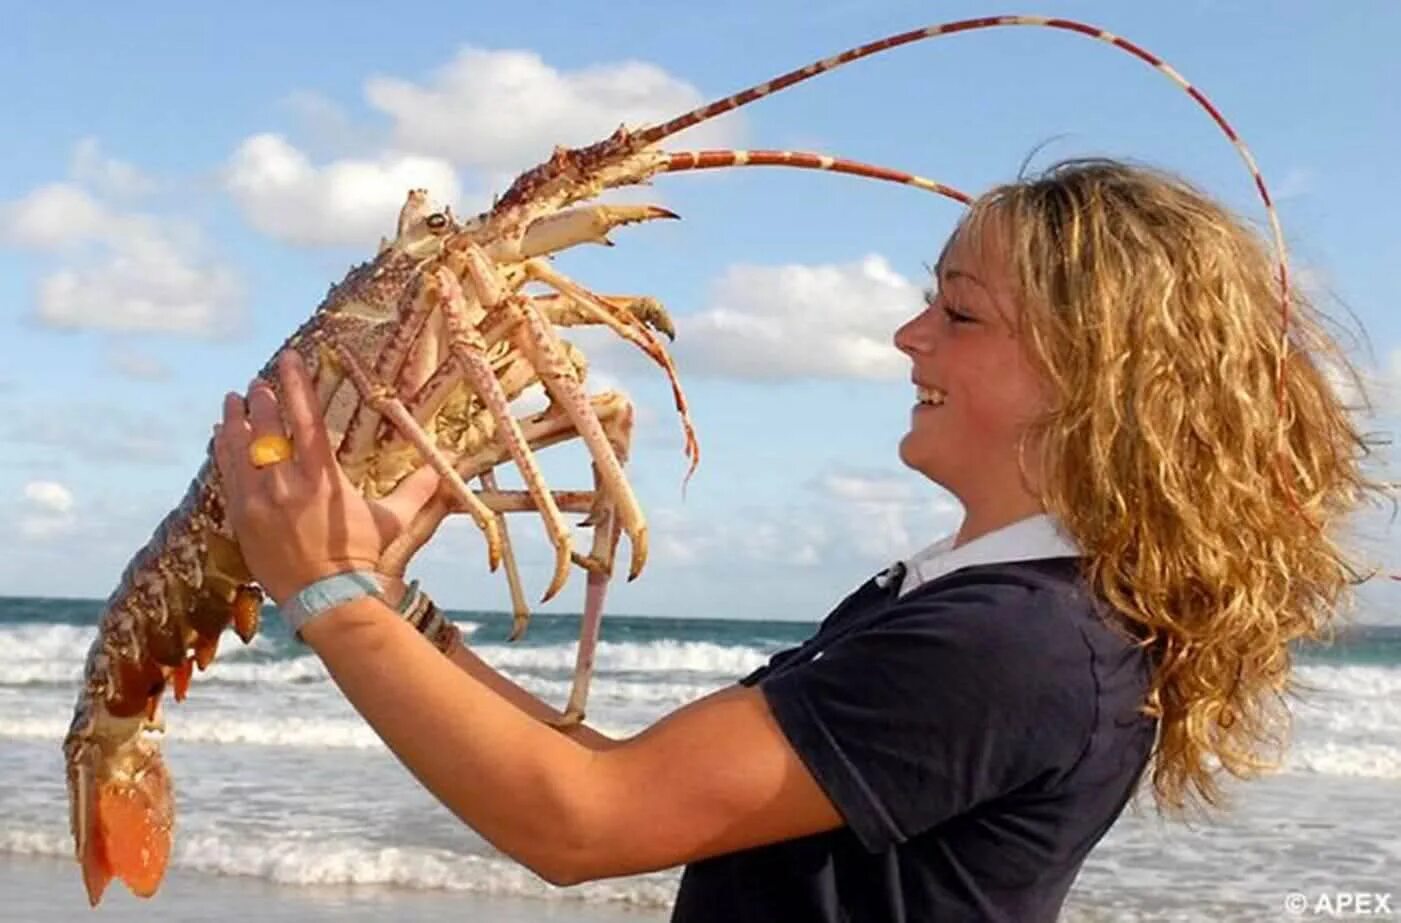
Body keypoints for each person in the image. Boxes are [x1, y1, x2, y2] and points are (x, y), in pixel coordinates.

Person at [212, 159, 1383, 922]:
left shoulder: (1015, 640)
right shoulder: (976, 603)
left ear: (1102, 377)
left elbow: (582, 822)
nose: (907, 333)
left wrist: (328, 590)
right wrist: (394, 604)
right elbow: (632, 779)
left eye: (960, 312)